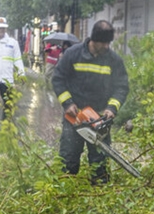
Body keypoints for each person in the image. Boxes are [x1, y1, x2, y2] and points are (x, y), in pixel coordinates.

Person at [52, 20, 129, 182]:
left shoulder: (113, 60)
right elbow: (58, 79)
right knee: (68, 159)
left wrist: (111, 108)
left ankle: (99, 195)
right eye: (104, 42)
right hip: (76, 116)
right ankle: (65, 191)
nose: (107, 46)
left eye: (109, 42)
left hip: (100, 117)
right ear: (94, 40)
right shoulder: (73, 54)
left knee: (100, 164)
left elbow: (121, 86)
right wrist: (68, 103)